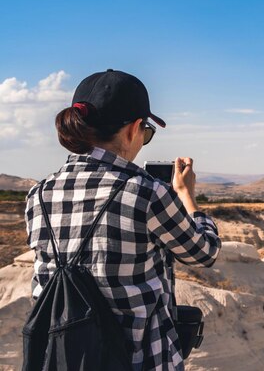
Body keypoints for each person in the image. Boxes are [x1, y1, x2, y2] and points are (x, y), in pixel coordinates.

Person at [24, 69, 221, 370]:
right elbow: (204, 252)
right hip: (140, 361)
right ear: (133, 129)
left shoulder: (38, 195)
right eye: (147, 132)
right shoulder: (146, 193)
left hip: (63, 358)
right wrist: (187, 197)